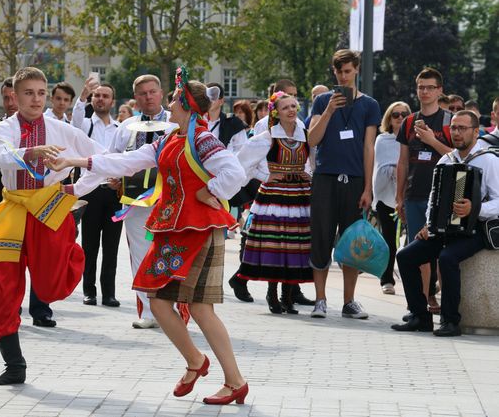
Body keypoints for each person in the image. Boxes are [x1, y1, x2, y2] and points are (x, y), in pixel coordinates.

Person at [53, 68, 249, 405]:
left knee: (201, 309)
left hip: (199, 230)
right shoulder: (170, 139)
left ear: (188, 106)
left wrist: (210, 191)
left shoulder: (202, 139)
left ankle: (234, 381)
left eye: (174, 100)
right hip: (174, 230)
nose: (169, 105)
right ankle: (195, 361)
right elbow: (125, 162)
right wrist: (75, 161)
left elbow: (236, 172)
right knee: (156, 299)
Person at [0, 67, 103, 385]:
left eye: (40, 92)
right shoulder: (3, 129)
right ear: (14, 96)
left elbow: (99, 158)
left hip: (49, 207)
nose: (35, 99)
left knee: (50, 285)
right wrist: (30, 152)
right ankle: (14, 364)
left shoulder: (62, 130)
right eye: (28, 93)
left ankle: (72, 254)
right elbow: (2, 157)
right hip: (13, 209)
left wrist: (78, 190)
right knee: (0, 287)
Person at [391, 110, 499, 336]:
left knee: (447, 257)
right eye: (454, 128)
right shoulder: (445, 160)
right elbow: (434, 197)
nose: (457, 133)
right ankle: (420, 316)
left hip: (475, 229)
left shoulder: (488, 160)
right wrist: (429, 225)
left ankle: (451, 321)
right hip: (444, 228)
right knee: (405, 256)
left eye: (462, 128)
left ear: (475, 131)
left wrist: (475, 208)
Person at [0, 78, 59, 327]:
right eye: (7, 98)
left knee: (40, 255)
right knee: (6, 256)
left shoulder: (49, 126)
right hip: (5, 201)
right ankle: (8, 307)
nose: (12, 103)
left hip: (41, 201)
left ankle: (41, 309)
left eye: (14, 97)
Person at [85, 74, 174, 329]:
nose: (148, 97)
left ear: (160, 92)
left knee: (170, 251)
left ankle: (172, 308)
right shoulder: (127, 126)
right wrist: (114, 179)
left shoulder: (174, 122)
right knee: (140, 253)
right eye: (142, 93)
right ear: (135, 97)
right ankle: (148, 310)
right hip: (136, 201)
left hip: (169, 199)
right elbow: (113, 158)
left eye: (152, 92)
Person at [307, 49, 381, 319]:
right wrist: (328, 110)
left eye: (348, 71)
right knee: (321, 238)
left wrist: (368, 188)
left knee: (353, 242)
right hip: (325, 179)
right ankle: (320, 299)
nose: (343, 76)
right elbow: (312, 140)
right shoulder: (322, 102)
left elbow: (369, 146)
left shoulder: (370, 105)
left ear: (357, 70)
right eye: (339, 72)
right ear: (334, 72)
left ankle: (349, 301)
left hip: (355, 180)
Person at [228, 79, 315, 307]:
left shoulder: (303, 133)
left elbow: (311, 162)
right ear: (275, 111)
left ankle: (288, 296)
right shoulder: (267, 136)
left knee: (295, 244)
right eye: (286, 107)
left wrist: (308, 175)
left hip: (299, 196)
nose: (291, 111)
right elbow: (242, 164)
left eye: (294, 106)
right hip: (274, 196)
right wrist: (266, 176)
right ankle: (272, 294)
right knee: (275, 243)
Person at [395, 68, 453, 314]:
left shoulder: (451, 120)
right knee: (415, 251)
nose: (425, 92)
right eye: (421, 87)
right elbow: (402, 162)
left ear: (439, 90)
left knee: (443, 253)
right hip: (414, 195)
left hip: (443, 198)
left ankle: (447, 305)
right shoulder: (409, 121)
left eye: (430, 87)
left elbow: (457, 158)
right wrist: (399, 197)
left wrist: (431, 140)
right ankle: (419, 304)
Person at [71, 78, 122, 307]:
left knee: (111, 246)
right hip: (89, 191)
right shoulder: (85, 125)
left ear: (112, 101)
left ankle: (108, 293)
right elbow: (74, 122)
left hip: (113, 194)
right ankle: (88, 290)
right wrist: (82, 96)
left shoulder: (120, 129)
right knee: (89, 244)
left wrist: (120, 180)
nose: (101, 99)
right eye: (97, 95)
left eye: (105, 96)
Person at [373, 102, 411, 295]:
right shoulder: (382, 139)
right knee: (389, 239)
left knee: (412, 240)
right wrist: (393, 170)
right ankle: (386, 278)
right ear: (389, 118)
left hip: (409, 194)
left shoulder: (414, 139)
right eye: (395, 114)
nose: (399, 117)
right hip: (385, 194)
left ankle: (414, 279)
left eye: (404, 114)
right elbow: (378, 167)